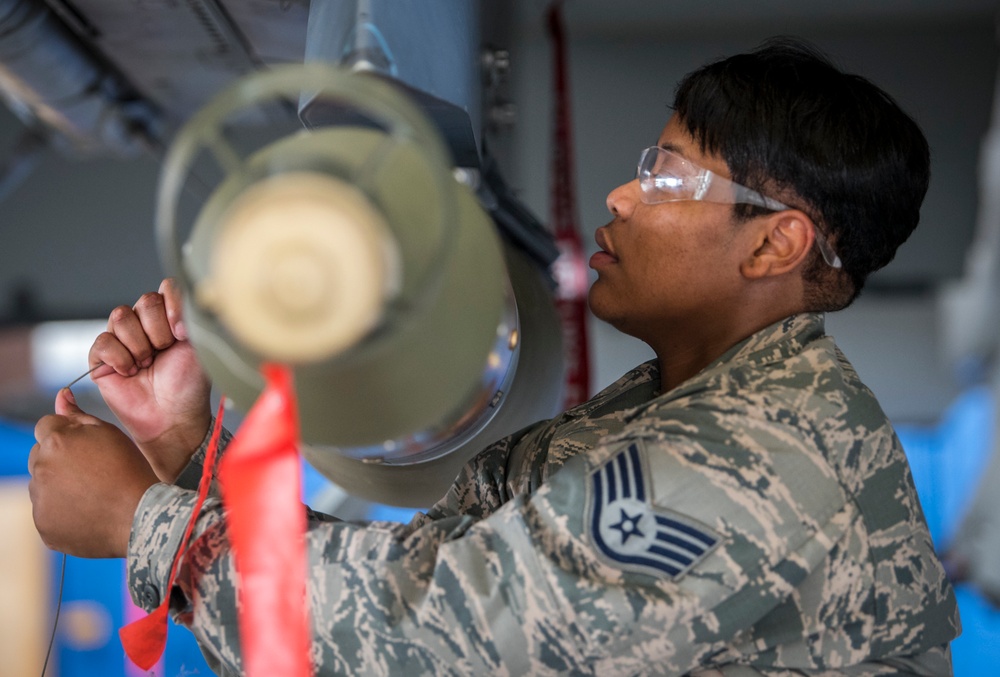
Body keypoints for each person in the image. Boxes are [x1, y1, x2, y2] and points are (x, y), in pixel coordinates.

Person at [29, 37, 960, 675]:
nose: (623, 196)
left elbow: (428, 644)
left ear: (775, 246)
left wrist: (140, 522)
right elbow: (413, 587)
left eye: (668, 175)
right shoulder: (672, 414)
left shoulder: (761, 454)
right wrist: (189, 453)